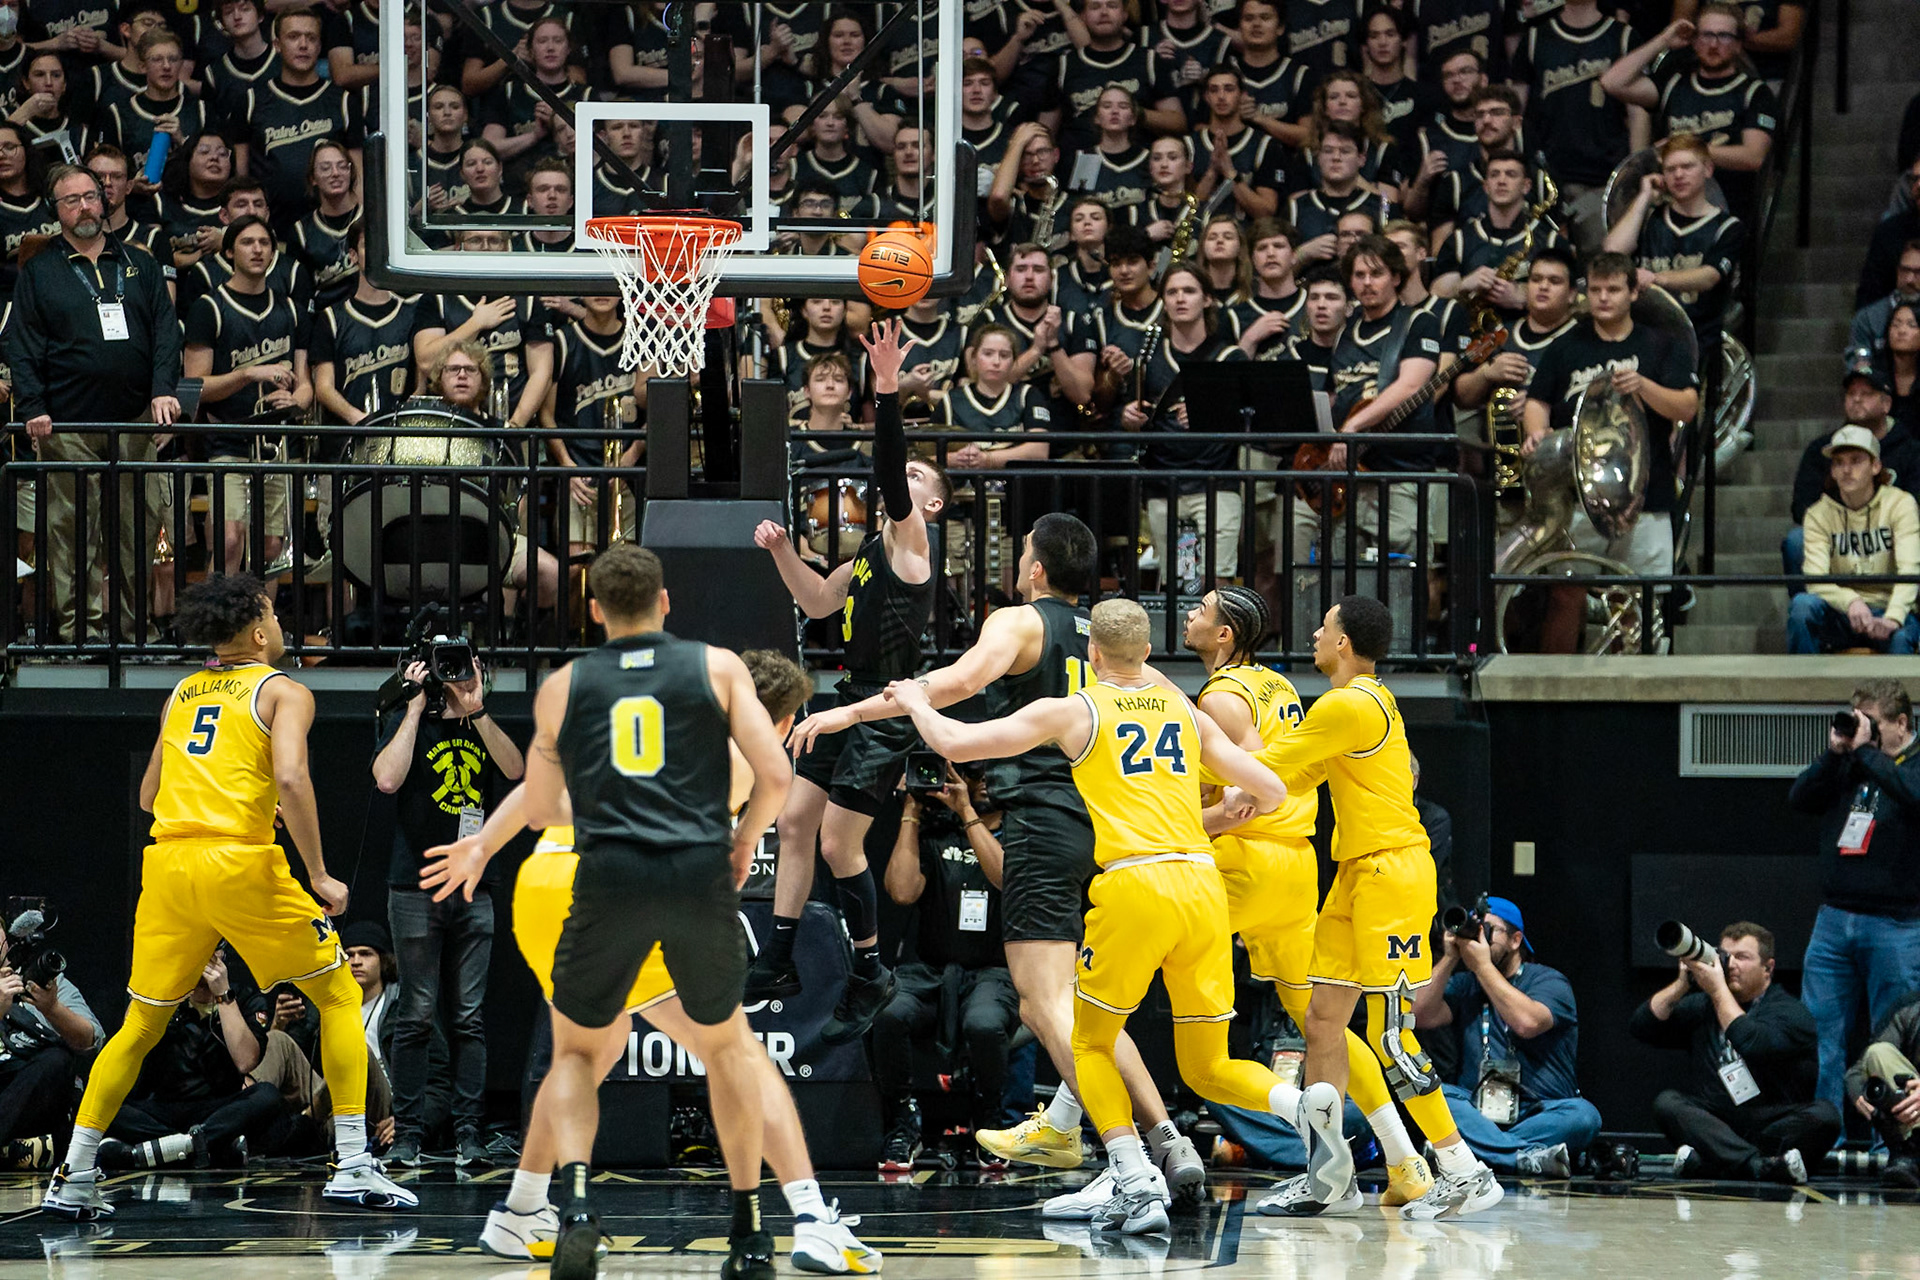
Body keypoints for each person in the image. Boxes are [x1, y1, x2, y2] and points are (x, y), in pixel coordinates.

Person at [790, 515, 1213, 1196]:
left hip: (1045, 821)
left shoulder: (1020, 623)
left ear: (1036, 569)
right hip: (1115, 830)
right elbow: (1201, 733)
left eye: (1021, 554)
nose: (1018, 564)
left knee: (1046, 1005)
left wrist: (849, 713)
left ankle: (1130, 1162)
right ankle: (1164, 1139)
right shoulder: (1114, 647)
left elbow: (951, 685)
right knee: (1087, 1009)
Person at [421, 645, 879, 1273]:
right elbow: (749, 797)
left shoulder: (646, 726)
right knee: (739, 1056)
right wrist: (743, 842)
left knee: (588, 1052)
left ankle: (520, 1209)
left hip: (547, 882)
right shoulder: (742, 757)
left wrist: (481, 845)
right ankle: (812, 1218)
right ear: (777, 720)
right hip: (624, 887)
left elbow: (544, 791)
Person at [885, 598, 1294, 1234]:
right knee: (1206, 1062)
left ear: (1092, 654)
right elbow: (1272, 790)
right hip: (1202, 886)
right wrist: (1235, 803)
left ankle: (1132, 1176)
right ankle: (1287, 1108)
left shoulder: (1075, 709)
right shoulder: (1184, 711)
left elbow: (955, 741)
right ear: (1149, 653)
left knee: (1087, 1039)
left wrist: (915, 701)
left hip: (1136, 883)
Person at [41, 574, 412, 1218]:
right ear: (260, 632)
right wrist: (320, 874)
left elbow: (149, 796)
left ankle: (73, 1175)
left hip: (169, 867)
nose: (281, 624)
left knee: (139, 1025)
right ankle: (354, 1163)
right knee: (337, 994)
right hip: (237, 863)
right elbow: (291, 777)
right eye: (274, 614)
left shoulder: (182, 693)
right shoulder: (285, 691)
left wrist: (232, 795)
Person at [509, 545, 793, 1279]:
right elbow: (776, 773)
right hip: (697, 870)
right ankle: (749, 1231)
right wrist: (744, 840)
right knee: (727, 1050)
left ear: (594, 611)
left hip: (609, 874)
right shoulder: (717, 666)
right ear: (665, 601)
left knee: (577, 1054)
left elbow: (539, 809)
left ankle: (575, 1206)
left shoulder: (565, 684)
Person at [1177, 587, 1437, 1215]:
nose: (1188, 614)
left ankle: (1110, 1140)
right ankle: (1403, 1159)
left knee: (1122, 972)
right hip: (1297, 868)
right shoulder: (1283, 688)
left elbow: (1254, 775)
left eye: (1201, 610)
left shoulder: (1219, 697)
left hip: (1243, 860)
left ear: (1225, 635)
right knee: (1324, 1025)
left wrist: (1195, 818)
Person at [1255, 595, 1502, 1219]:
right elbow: (1299, 777)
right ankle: (1330, 1176)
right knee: (1322, 1020)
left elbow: (1269, 763)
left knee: (1390, 1035)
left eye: (1324, 627)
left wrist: (1187, 765)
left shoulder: (1349, 704)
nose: (1315, 634)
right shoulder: (1357, 704)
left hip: (1391, 873)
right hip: (1354, 875)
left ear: (1343, 642)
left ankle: (1464, 1169)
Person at [744, 321, 950, 1044]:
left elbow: (889, 473)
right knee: (794, 823)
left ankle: (870, 969)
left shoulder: (914, 544)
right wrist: (780, 553)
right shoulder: (867, 551)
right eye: (907, 475)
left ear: (931, 506)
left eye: (918, 480)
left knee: (839, 845)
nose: (904, 482)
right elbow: (816, 602)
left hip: (889, 705)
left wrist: (886, 389)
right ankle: (777, 960)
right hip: (848, 693)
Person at [7, 162, 179, 647]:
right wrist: (33, 406)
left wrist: (163, 389)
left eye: (91, 197)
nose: (84, 207)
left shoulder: (140, 264)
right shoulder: (40, 271)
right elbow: (22, 345)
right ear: (55, 211)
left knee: (136, 533)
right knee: (70, 536)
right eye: (72, 200)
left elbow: (166, 332)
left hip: (135, 422)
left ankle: (135, 634)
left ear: (104, 202)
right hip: (66, 426)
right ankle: (77, 634)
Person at [370, 648, 523, 1167]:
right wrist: (414, 708)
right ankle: (408, 1136)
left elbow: (515, 769)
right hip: (414, 885)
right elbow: (387, 779)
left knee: (469, 1018)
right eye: (446, 666)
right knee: (415, 1014)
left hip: (474, 887)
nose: (454, 674)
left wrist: (476, 709)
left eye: (464, 664)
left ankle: (469, 1134)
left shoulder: (481, 723)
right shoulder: (404, 717)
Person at [876, 765, 1021, 1172]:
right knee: (888, 1014)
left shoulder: (1019, 832)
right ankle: (903, 1121)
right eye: (973, 772)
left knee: (984, 1024)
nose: (983, 781)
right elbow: (902, 892)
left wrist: (967, 813)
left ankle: (989, 1119)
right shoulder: (934, 832)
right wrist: (911, 810)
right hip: (930, 970)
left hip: (993, 970)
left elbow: (1006, 880)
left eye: (991, 772)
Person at [1521, 251, 1699, 579]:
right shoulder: (1564, 347)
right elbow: (1537, 402)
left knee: (1644, 597)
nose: (1603, 298)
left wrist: (1644, 386)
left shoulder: (1662, 344)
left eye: (1613, 290)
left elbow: (1688, 406)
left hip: (1647, 497)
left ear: (1633, 293)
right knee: (1567, 593)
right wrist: (1537, 432)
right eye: (1596, 290)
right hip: (1576, 498)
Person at [1787, 679, 1920, 1119]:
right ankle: (1825, 1134)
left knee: (1892, 1039)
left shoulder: (1912, 763)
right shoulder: (1851, 763)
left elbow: (1912, 794)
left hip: (1896, 923)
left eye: (1873, 723)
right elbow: (1800, 797)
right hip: (1834, 918)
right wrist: (1835, 754)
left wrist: (1867, 754)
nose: (1864, 730)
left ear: (1901, 723)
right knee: (1820, 1035)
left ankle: (1894, 1142)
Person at [1629, 922, 1840, 1183]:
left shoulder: (1790, 1012)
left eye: (1742, 957)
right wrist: (1682, 984)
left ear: (1768, 968)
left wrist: (1718, 989)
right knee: (1668, 1103)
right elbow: (1642, 1027)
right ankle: (1759, 1166)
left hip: (1770, 1123)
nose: (1730, 964)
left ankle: (1715, 1163)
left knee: (1825, 1116)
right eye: (1726, 956)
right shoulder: (1703, 1006)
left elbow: (1751, 1042)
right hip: (1717, 1125)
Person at [1410, 897, 1601, 1177]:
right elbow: (1419, 1015)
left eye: (1489, 930)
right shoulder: (1465, 984)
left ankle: (1470, 1151)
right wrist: (1450, 957)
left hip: (1539, 1110)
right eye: (1475, 931)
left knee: (1583, 1116)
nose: (1480, 939)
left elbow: (1527, 1023)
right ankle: (1522, 1158)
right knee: (1435, 1096)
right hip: (1477, 1109)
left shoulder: (1549, 981)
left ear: (1515, 940)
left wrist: (1483, 967)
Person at [182, 214, 310, 576]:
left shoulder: (292, 310)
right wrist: (248, 374)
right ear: (228, 252)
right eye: (247, 242)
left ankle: (259, 616)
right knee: (229, 541)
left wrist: (296, 401)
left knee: (271, 548)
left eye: (264, 243)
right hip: (228, 440)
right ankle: (217, 614)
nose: (257, 250)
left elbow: (306, 385)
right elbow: (194, 387)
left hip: (278, 444)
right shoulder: (209, 307)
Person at [1126, 260, 1246, 591]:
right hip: (1163, 483)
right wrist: (1128, 417)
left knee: (1217, 581)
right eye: (1172, 292)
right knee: (1176, 582)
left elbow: (1250, 420)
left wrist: (1210, 415)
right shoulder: (1148, 357)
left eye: (1189, 291)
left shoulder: (1230, 357)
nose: (1180, 298)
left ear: (1207, 299)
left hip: (1216, 481)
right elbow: (1132, 412)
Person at [1598, 6, 1778, 214]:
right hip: (1673, 211)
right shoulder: (1674, 84)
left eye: (1724, 36)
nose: (1714, 44)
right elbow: (1612, 82)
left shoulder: (1754, 92)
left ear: (1738, 44)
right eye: (1706, 35)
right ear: (1694, 41)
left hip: (1731, 212)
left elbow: (1754, 157)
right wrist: (1664, 40)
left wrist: (1687, 150)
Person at [1508, 0, 1641, 253]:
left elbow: (1638, 112)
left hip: (1603, 180)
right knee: (1544, 263)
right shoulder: (1536, 39)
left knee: (1600, 263)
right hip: (1547, 180)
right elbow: (1515, 114)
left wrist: (1635, 172)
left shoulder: (1623, 37)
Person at [1602, 133, 1745, 354]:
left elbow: (1709, 277)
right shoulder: (1649, 220)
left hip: (1700, 343)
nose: (1678, 175)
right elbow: (1613, 250)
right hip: (1645, 340)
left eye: (1687, 167)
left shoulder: (1727, 227)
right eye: (1670, 169)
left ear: (1708, 169)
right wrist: (1644, 196)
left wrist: (1656, 279)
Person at [1787, 426, 1920, 654]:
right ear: (1832, 471)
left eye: (1856, 461)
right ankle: (1803, 677)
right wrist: (1851, 601)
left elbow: (1910, 570)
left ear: (1875, 466)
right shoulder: (1818, 514)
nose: (1846, 470)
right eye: (1839, 463)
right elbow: (1815, 580)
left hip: (1887, 607)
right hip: (1841, 611)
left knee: (1902, 637)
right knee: (1802, 606)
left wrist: (1893, 617)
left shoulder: (1900, 504)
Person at [1783, 369, 1920, 574]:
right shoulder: (1821, 450)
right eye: (1851, 393)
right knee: (1796, 541)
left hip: (1893, 536)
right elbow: (1802, 506)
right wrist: (1845, 529)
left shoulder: (1911, 451)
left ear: (1886, 404)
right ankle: (1809, 595)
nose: (1856, 399)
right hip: (1836, 539)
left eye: (1866, 394)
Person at [0, 914, 104, 1170]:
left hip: (32, 1097)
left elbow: (91, 1040)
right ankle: (17, 1151)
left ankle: (14, 1151)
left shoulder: (37, 982)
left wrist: (52, 1008)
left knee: (57, 1060)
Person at [1846, 992, 1920, 1187]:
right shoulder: (1909, 1008)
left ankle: (1910, 1156)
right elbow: (1858, 1070)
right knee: (1878, 1053)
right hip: (1910, 1123)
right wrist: (1860, 1095)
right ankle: (1910, 1153)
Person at [1848, 238, 1920, 372]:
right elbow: (1859, 363)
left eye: (1918, 272)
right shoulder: (1869, 319)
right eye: (1905, 270)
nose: (1909, 279)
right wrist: (1866, 372)